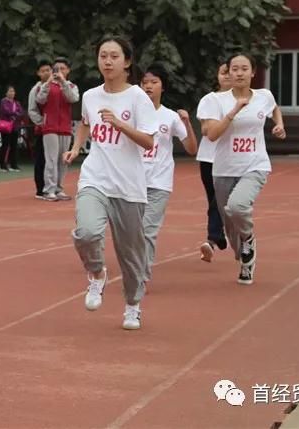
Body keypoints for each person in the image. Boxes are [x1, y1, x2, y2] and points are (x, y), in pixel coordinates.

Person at [63, 36, 157, 330]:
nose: (107, 61)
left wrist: (120, 125)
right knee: (87, 232)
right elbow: (86, 125)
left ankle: (132, 305)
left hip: (129, 187)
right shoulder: (90, 96)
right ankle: (96, 272)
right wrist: (77, 147)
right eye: (103, 55)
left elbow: (148, 141)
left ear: (127, 62)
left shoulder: (138, 98)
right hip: (95, 177)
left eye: (114, 56)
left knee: (131, 257)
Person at [197, 52, 286, 285]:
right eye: (234, 69)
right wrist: (233, 111)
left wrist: (279, 125)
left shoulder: (263, 96)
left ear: (253, 72)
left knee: (237, 206)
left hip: (255, 165)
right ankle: (245, 259)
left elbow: (274, 108)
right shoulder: (213, 101)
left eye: (244, 68)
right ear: (227, 72)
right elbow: (213, 135)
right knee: (229, 223)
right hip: (224, 169)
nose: (238, 73)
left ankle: (248, 238)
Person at [139, 63, 198, 282]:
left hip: (159, 183)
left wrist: (187, 123)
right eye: (145, 82)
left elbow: (192, 149)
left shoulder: (170, 117)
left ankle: (141, 276)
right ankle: (136, 265)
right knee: (130, 232)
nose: (148, 86)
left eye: (154, 82)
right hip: (132, 182)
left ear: (162, 87)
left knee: (148, 230)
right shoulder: (131, 114)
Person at [195, 63, 233, 261]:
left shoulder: (244, 100)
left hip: (232, 159)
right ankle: (220, 234)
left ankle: (211, 239)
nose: (227, 76)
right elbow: (205, 129)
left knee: (218, 200)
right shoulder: (209, 100)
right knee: (214, 198)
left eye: (230, 72)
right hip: (208, 158)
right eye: (223, 73)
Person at [36, 56, 79, 201]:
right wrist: (49, 83)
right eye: (56, 69)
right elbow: (40, 100)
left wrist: (63, 83)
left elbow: (72, 98)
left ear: (68, 71)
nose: (59, 71)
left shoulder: (71, 86)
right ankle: (49, 190)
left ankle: (59, 188)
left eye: (62, 69)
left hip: (65, 127)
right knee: (51, 159)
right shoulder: (46, 85)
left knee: (63, 160)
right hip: (50, 127)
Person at [27, 61, 51, 199]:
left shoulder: (56, 86)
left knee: (52, 160)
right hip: (41, 130)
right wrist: (42, 123)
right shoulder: (35, 90)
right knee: (41, 159)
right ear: (38, 73)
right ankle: (40, 188)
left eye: (48, 69)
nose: (46, 73)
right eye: (43, 71)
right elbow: (32, 110)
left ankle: (52, 187)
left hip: (54, 129)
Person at [0, 85, 23, 172]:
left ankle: (13, 164)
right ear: (6, 93)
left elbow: (21, 112)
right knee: (5, 145)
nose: (12, 93)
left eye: (13, 91)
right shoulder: (3, 102)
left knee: (14, 146)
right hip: (6, 126)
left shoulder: (17, 103)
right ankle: (2, 165)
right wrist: (14, 113)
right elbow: (6, 111)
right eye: (10, 91)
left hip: (14, 126)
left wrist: (14, 113)